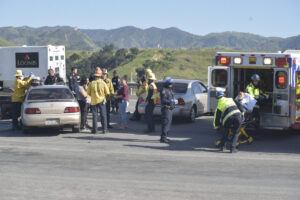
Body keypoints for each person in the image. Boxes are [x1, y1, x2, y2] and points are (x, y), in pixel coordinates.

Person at [87, 68, 110, 134]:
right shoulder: (103, 83)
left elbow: (88, 93)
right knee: (103, 115)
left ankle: (95, 130)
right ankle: (104, 129)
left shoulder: (91, 83)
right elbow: (107, 93)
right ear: (100, 75)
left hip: (94, 101)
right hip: (102, 101)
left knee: (95, 115)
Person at [160, 77, 177, 143]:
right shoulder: (164, 90)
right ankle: (163, 138)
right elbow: (163, 100)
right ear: (166, 84)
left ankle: (165, 136)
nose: (171, 85)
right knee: (166, 123)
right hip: (166, 108)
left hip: (170, 108)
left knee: (168, 123)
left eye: (171, 83)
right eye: (170, 83)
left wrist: (175, 102)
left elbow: (172, 98)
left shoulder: (169, 90)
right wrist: (171, 101)